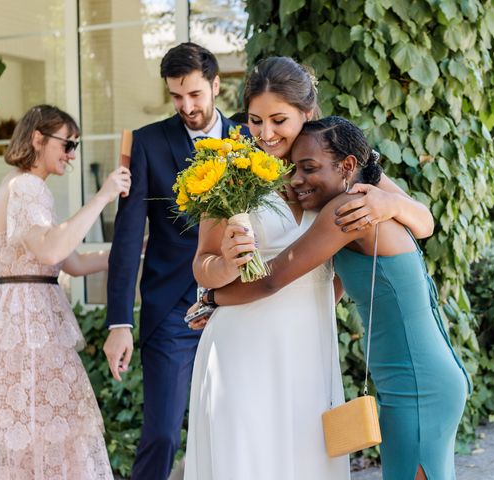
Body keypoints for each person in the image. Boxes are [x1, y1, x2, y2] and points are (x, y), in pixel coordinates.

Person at [183, 57, 434, 480]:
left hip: (309, 343)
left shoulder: (336, 166)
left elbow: (423, 222)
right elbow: (202, 266)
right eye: (254, 120)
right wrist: (224, 266)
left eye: (279, 120)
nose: (265, 134)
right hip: (243, 347)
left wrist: (387, 202)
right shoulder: (226, 172)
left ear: (308, 112)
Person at [0, 105, 131, 479]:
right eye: (67, 143)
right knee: (39, 430)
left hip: (24, 317)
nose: (72, 154)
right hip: (26, 327)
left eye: (76, 145)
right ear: (37, 139)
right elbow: (50, 250)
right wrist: (102, 196)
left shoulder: (27, 187)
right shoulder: (25, 186)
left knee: (31, 434)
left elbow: (70, 262)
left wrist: (132, 250)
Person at [102, 42, 249, 480]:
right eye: (176, 96)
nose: (186, 106)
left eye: (195, 94)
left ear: (216, 85)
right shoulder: (148, 143)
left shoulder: (249, 137)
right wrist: (118, 323)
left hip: (242, 300)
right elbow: (128, 239)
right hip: (172, 311)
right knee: (163, 432)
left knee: (235, 427)